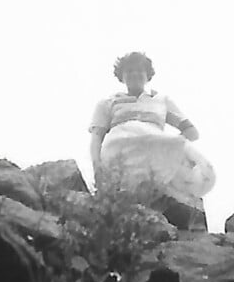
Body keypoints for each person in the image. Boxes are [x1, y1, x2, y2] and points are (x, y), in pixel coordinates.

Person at [89, 51, 215, 231]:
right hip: (120, 148)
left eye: (139, 70)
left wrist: (171, 146)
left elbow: (192, 132)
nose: (134, 74)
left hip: (156, 150)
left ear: (148, 75)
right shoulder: (108, 103)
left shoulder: (161, 100)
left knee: (195, 164)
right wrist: (97, 166)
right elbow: (96, 138)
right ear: (121, 76)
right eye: (129, 70)